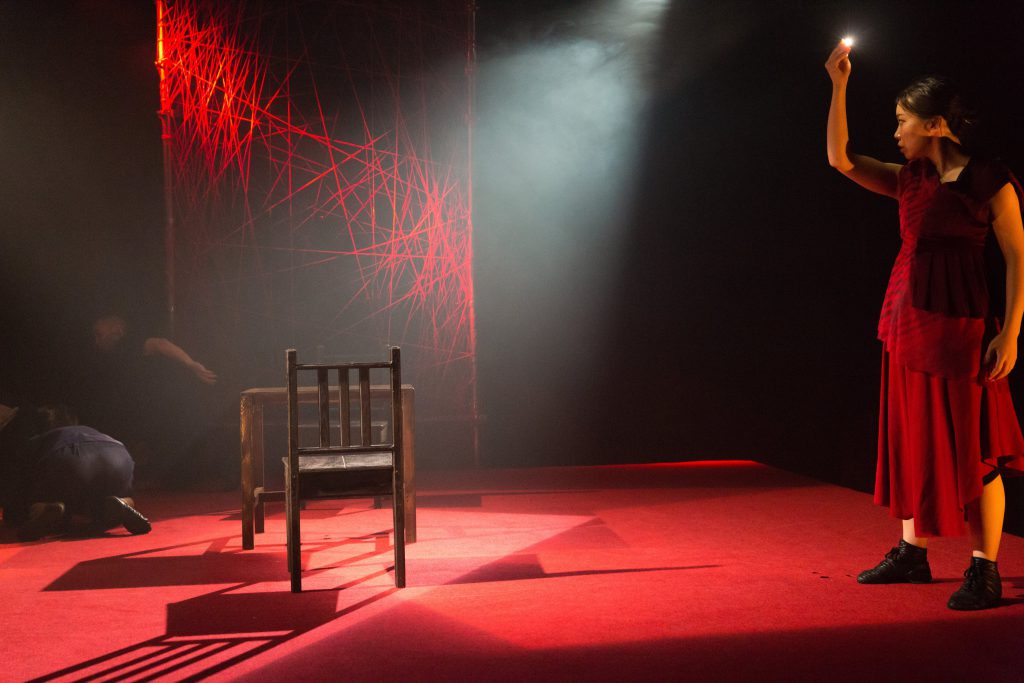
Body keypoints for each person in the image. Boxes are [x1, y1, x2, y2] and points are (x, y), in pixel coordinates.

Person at [825, 41, 1024, 610]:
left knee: (973, 448)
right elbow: (841, 159)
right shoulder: (909, 177)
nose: (896, 133)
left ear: (935, 124)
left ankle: (984, 568)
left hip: (961, 329)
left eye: (902, 121)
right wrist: (839, 84)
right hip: (906, 320)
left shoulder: (990, 180)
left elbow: (1018, 258)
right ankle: (913, 552)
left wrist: (1010, 332)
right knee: (913, 437)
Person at [0, 403, 150, 541]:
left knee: (28, 505)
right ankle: (124, 502)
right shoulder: (90, 431)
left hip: (64, 457)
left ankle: (47, 507)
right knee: (110, 497)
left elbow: (17, 488)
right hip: (118, 454)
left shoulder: (39, 440)